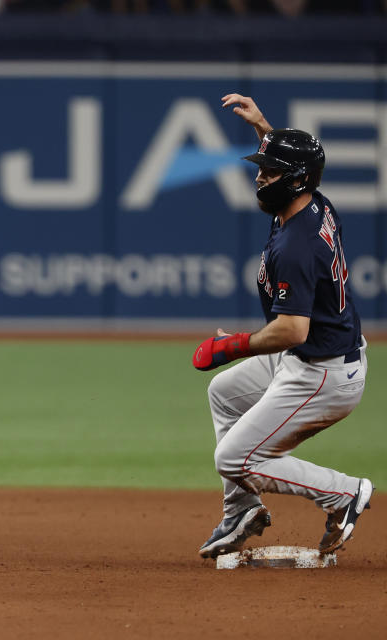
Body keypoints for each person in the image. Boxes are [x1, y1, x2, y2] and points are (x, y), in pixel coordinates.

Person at [192, 93, 373, 558]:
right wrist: (264, 128)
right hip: (313, 354)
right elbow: (297, 163)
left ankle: (344, 493)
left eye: (269, 171)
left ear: (294, 181)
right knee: (224, 394)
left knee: (235, 457)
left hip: (322, 372)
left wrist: (231, 345)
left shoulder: (297, 244)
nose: (259, 177)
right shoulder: (310, 202)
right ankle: (243, 510)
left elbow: (291, 330)